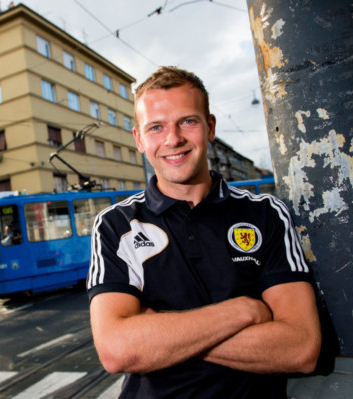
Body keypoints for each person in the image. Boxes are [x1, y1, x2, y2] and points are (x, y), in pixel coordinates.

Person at [87, 66, 321, 398]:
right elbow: (118, 351)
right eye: (156, 127)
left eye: (187, 121)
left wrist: (161, 332)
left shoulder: (266, 214)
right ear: (139, 139)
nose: (173, 139)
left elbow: (301, 348)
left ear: (209, 127)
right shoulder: (115, 225)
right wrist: (243, 311)